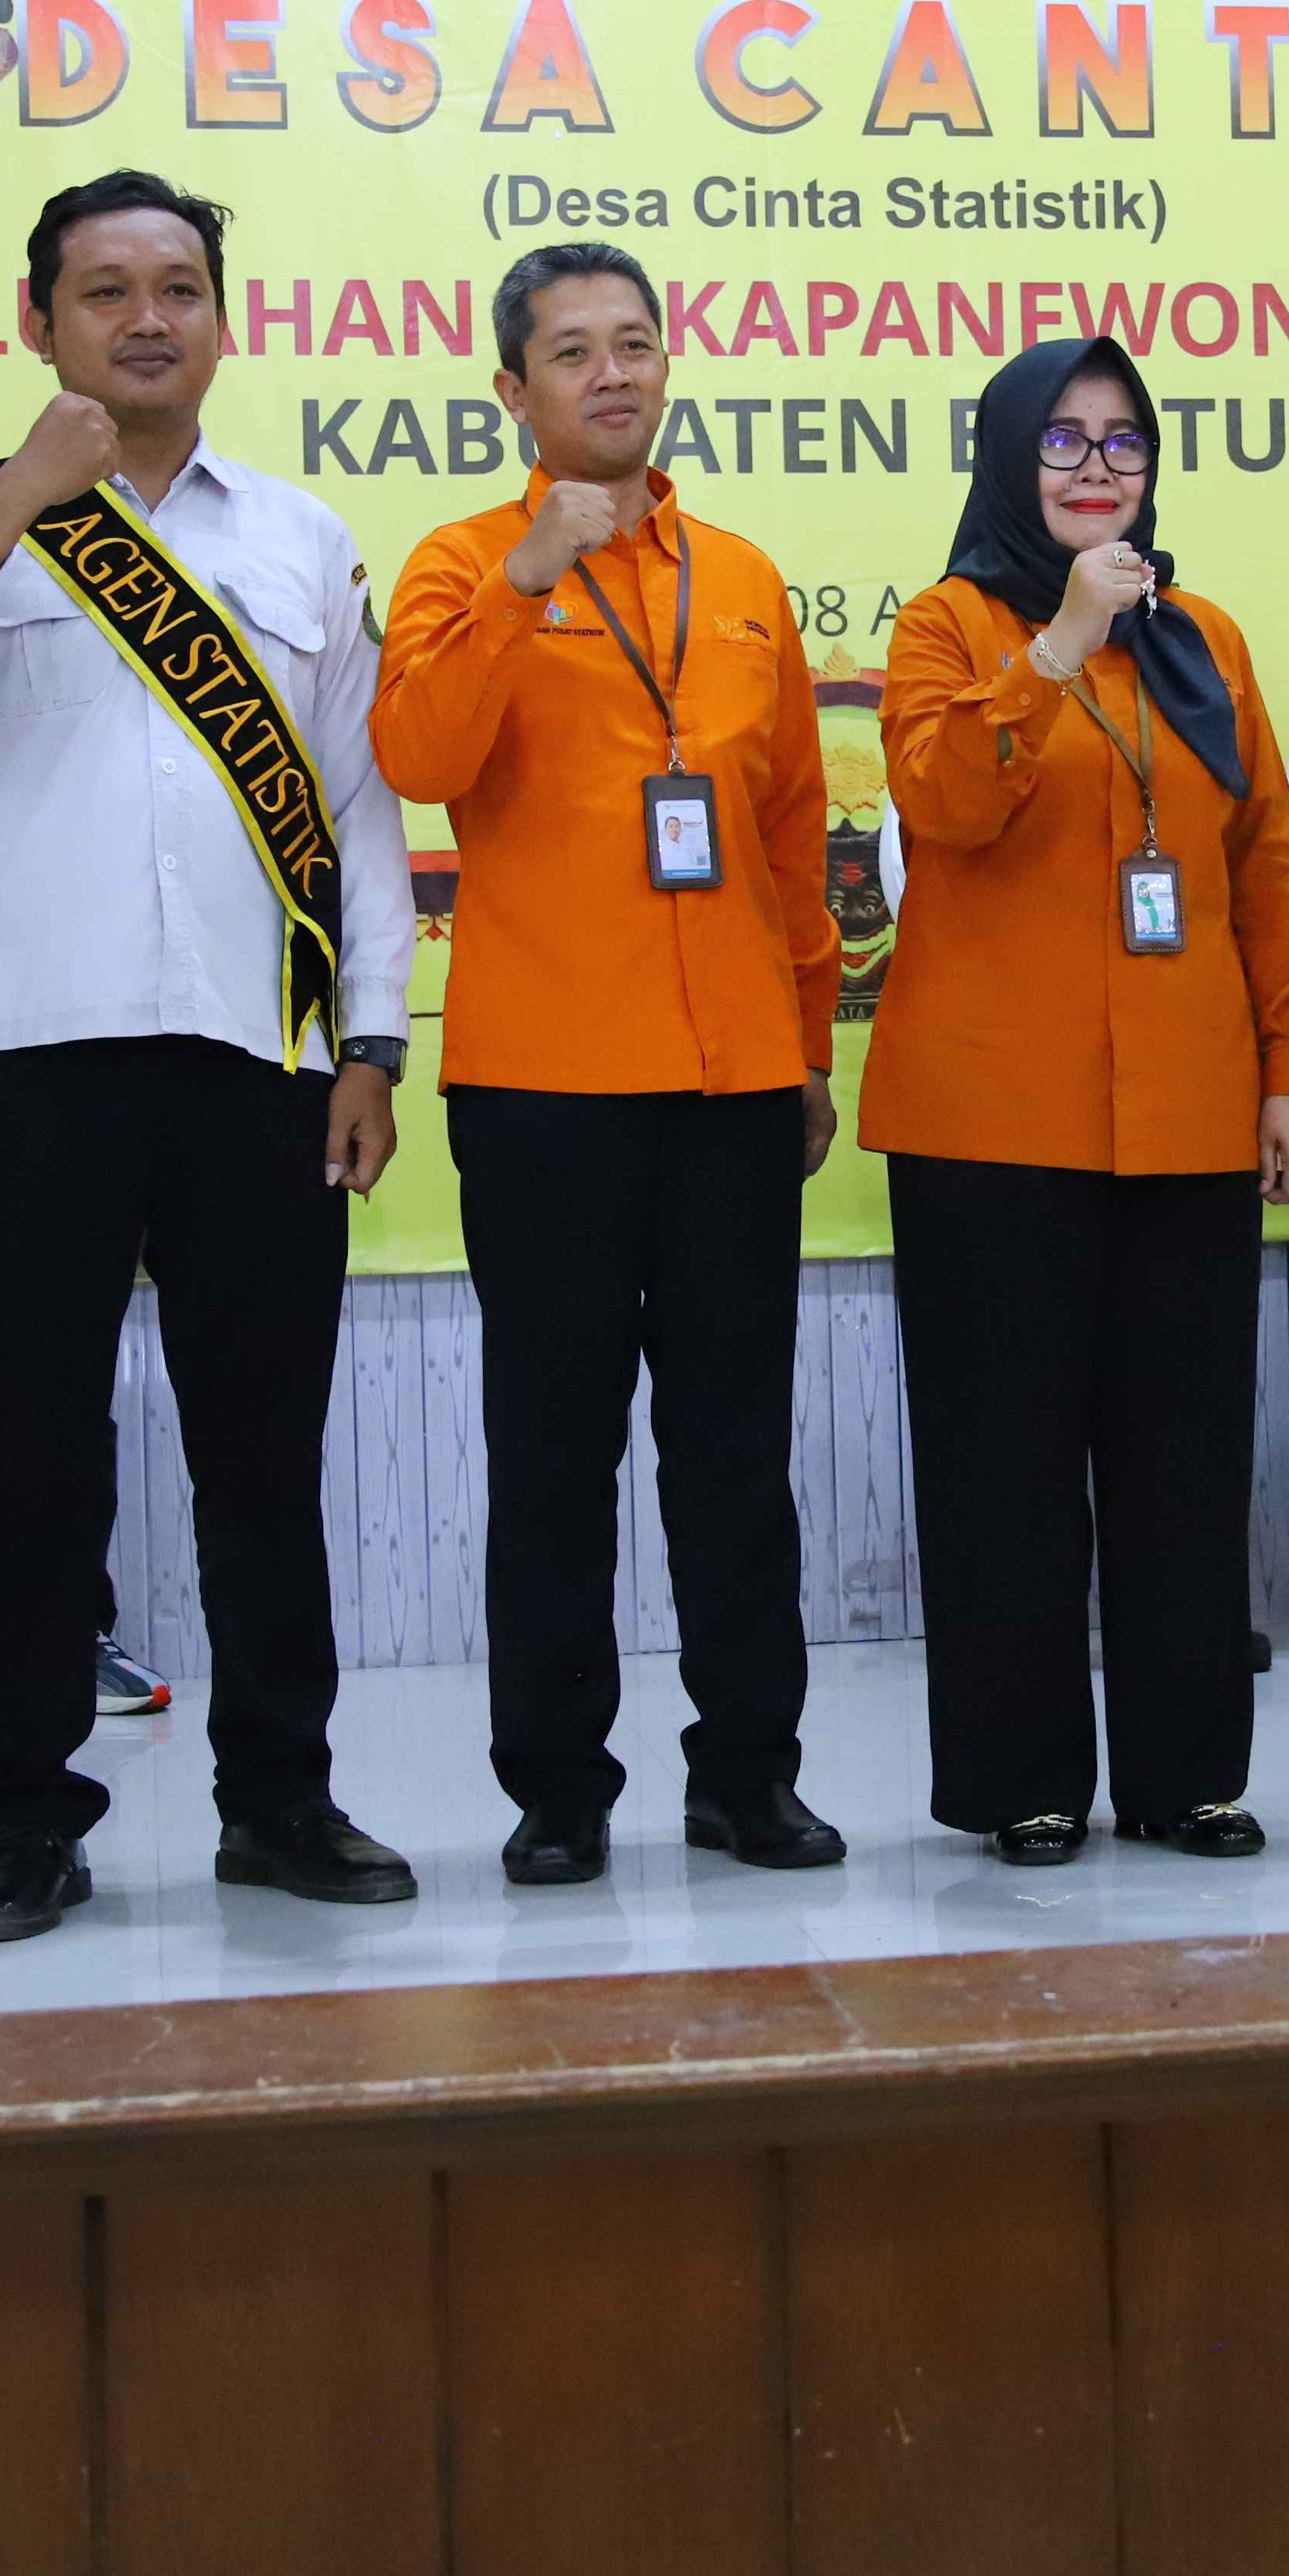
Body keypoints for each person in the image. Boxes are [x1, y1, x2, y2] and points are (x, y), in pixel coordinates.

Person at [0, 171, 422, 1938]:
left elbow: (361, 812)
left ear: (225, 317)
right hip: (30, 1063)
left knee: (263, 1459)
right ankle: (26, 1814)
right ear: (41, 321)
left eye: (178, 286)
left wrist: (370, 1038)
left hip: (256, 1062)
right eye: (105, 290)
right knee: (27, 1459)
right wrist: (11, 498)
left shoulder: (300, 538)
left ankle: (281, 1799)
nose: (147, 318)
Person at [376, 241, 844, 1885]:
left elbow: (791, 831)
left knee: (738, 1455)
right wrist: (525, 582)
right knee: (556, 1456)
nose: (612, 373)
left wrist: (806, 1044)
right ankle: (559, 1790)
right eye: (572, 351)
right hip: (545, 1089)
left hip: (733, 1082)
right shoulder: (459, 563)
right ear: (514, 390)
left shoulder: (743, 576)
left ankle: (749, 1775)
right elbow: (418, 753)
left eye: (635, 342)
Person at [865, 335, 1289, 1861]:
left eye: (1122, 440)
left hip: (1189, 1111)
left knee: (1184, 1463)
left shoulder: (1206, 639)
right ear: (1010, 460)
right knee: (1003, 1468)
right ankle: (1024, 1779)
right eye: (1061, 441)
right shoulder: (946, 625)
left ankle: (1188, 1775)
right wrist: (1060, 641)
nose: (1094, 468)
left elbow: (1267, 867)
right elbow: (946, 802)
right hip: (990, 1124)